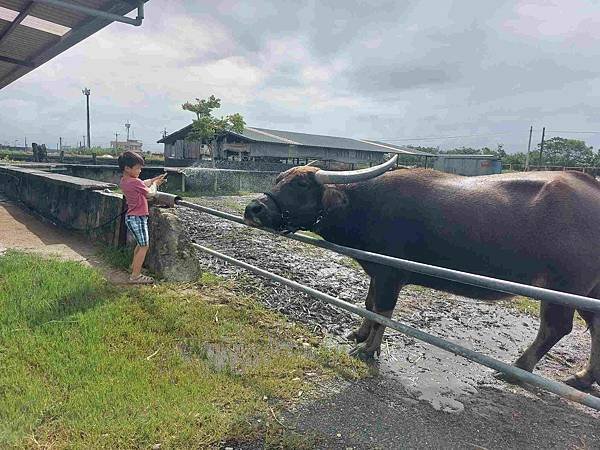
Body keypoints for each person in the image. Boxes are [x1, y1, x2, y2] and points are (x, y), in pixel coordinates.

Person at [117, 151, 167, 284]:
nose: (140, 170)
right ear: (127, 168)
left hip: (131, 217)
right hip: (138, 218)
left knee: (140, 244)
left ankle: (134, 267)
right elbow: (151, 194)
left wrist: (153, 180)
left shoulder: (124, 180)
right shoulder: (135, 182)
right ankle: (135, 276)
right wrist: (155, 185)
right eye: (138, 168)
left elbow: (142, 184)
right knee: (144, 246)